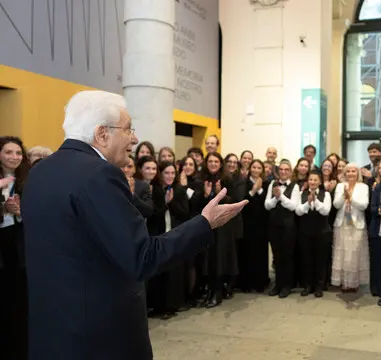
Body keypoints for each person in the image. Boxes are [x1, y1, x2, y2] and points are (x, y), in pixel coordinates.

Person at [21, 90, 247, 360]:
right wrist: (205, 223)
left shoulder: (40, 172)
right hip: (99, 338)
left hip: (53, 331)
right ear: (102, 134)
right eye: (128, 129)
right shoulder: (100, 175)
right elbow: (142, 257)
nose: (134, 139)